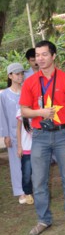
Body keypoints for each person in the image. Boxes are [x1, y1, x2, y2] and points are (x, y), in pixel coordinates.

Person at [20, 40, 65, 235]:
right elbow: (24, 110)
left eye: (44, 54)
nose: (40, 58)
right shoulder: (30, 82)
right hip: (39, 136)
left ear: (53, 56)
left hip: (63, 134)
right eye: (37, 55)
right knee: (38, 180)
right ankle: (43, 219)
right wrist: (40, 112)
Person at [0, 63, 26, 203]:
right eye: (17, 74)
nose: (20, 76)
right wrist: (6, 135)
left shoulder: (26, 91)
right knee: (16, 163)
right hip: (13, 133)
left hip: (28, 133)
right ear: (10, 76)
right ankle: (20, 191)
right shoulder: (4, 95)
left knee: (32, 161)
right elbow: (2, 116)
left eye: (21, 73)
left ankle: (32, 188)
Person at [16, 109, 34, 205]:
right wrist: (19, 146)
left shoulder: (39, 107)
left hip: (39, 148)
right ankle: (27, 193)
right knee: (26, 173)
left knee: (40, 173)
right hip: (26, 148)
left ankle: (40, 192)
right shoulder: (21, 111)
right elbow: (18, 130)